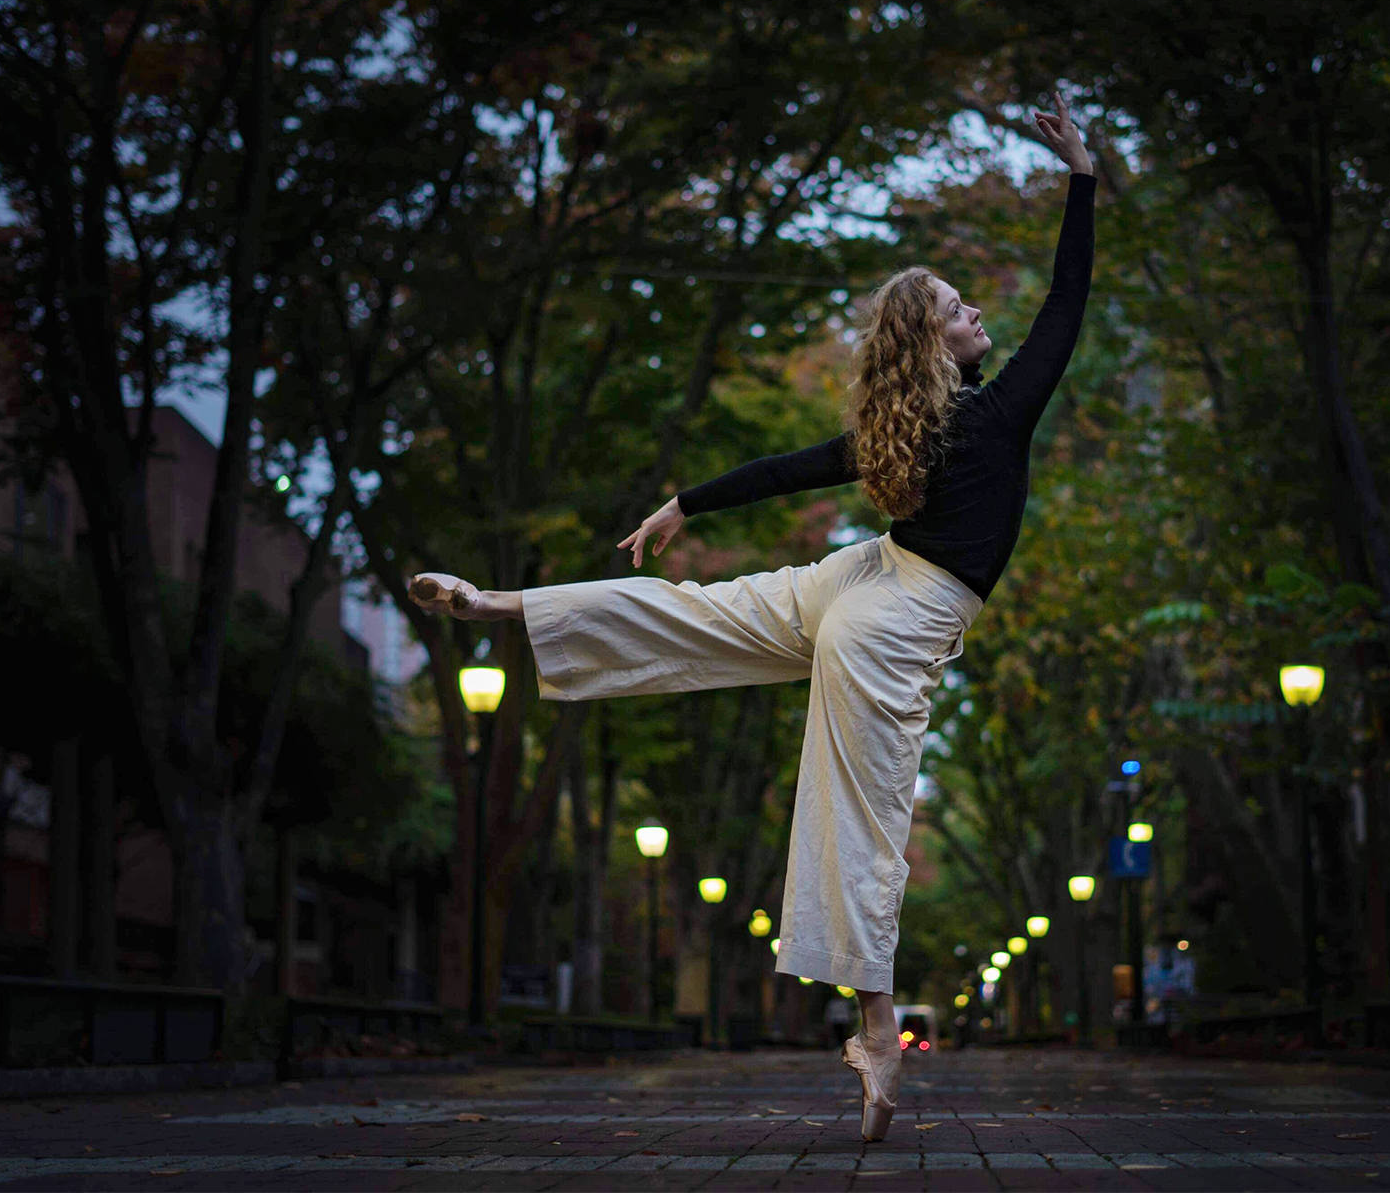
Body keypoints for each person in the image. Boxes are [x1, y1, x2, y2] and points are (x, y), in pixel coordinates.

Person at [409, 88, 1094, 1141]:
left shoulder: (894, 429)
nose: (976, 317)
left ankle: (502, 604)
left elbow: (787, 469)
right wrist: (1082, 179)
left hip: (861, 576)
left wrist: (685, 502)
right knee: (863, 811)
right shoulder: (998, 412)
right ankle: (874, 1028)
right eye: (959, 311)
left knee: (692, 615)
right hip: (892, 610)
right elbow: (1066, 304)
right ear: (935, 347)